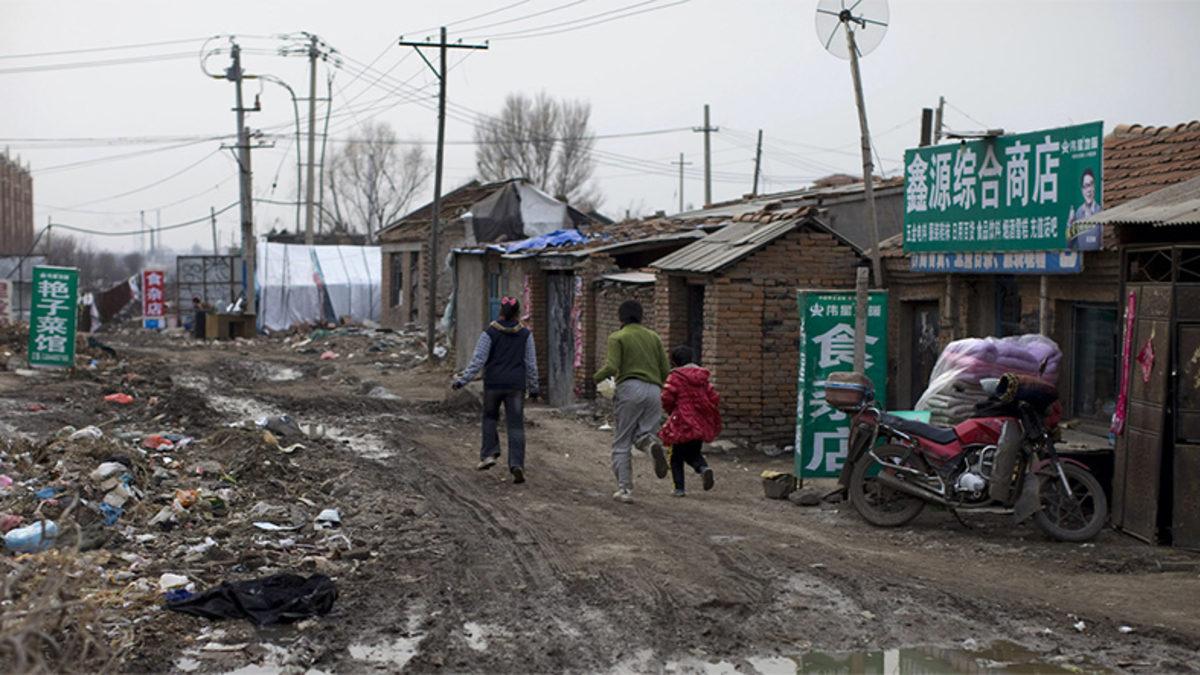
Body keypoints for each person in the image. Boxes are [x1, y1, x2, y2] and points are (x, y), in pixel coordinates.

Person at [452, 297, 539, 484]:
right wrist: (534, 387)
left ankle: (489, 454)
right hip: (516, 386)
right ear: (517, 313)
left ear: (500, 312)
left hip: (493, 385)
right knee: (515, 425)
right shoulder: (525, 334)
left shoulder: (489, 333)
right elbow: (531, 364)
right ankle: (517, 464)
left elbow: (478, 360)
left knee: (490, 418)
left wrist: (462, 380)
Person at [593, 300, 670, 503]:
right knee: (645, 434)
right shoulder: (654, 337)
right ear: (641, 316)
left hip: (629, 389)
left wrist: (595, 378)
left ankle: (625, 490)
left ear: (621, 318)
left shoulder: (618, 337)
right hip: (654, 390)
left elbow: (611, 366)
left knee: (622, 441)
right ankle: (651, 444)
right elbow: (665, 371)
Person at [659, 346, 720, 497]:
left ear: (674, 362)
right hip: (700, 422)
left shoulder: (675, 376)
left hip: (681, 421)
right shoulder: (702, 377)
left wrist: (671, 410)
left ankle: (679, 488)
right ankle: (703, 468)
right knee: (693, 452)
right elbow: (713, 397)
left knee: (675, 456)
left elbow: (667, 397)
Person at [1067, 168, 1102, 250]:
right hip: (1083, 260)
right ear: (1082, 190)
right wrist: (1070, 223)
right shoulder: (1078, 213)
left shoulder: (1100, 211)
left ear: (1094, 187)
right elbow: (1069, 244)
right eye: (1086, 186)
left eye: (1091, 184)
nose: (1089, 190)